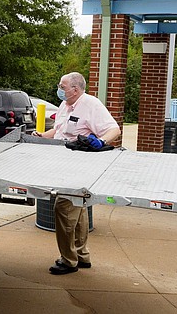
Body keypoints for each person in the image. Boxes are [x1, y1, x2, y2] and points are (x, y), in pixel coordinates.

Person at [33, 71, 121, 275]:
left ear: (75, 88)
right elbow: (60, 131)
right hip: (63, 165)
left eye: (62, 86)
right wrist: (41, 136)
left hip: (80, 167)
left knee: (63, 208)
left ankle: (68, 260)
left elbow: (113, 129)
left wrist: (101, 142)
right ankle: (81, 255)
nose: (59, 89)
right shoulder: (65, 105)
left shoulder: (91, 104)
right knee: (79, 209)